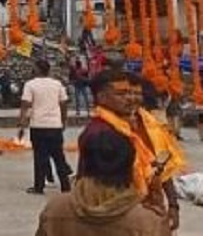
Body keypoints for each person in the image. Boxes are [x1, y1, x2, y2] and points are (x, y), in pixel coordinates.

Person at [79, 69, 185, 231]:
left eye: (133, 93)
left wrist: (172, 204)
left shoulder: (147, 123)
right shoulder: (99, 132)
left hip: (148, 208)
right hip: (117, 212)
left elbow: (161, 165)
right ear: (101, 98)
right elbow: (87, 176)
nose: (130, 98)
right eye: (122, 94)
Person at [35, 127, 171, 236]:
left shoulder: (55, 209)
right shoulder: (147, 222)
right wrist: (159, 210)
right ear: (130, 166)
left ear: (85, 164)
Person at [19, 59, 71, 195]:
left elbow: (25, 105)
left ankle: (39, 186)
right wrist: (64, 120)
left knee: (40, 157)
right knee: (58, 156)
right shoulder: (57, 84)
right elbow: (64, 103)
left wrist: (22, 124)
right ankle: (65, 185)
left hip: (38, 125)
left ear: (36, 69)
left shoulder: (30, 85)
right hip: (55, 125)